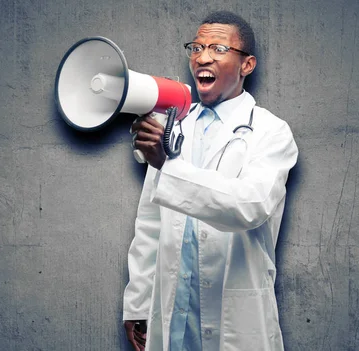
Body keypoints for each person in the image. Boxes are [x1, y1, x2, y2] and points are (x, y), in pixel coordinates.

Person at [124, 10, 298, 351]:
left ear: (247, 65)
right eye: (196, 47)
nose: (202, 57)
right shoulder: (175, 125)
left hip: (235, 315)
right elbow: (150, 223)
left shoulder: (271, 131)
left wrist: (167, 167)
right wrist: (138, 302)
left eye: (218, 48)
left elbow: (250, 205)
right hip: (174, 315)